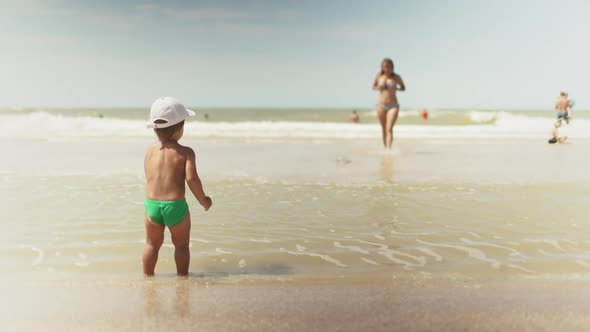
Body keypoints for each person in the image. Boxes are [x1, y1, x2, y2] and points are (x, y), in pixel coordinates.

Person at [143, 97, 212, 276]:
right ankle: (182, 279)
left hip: (151, 205)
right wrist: (203, 200)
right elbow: (192, 179)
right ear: (180, 127)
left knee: (151, 244)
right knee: (181, 245)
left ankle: (147, 278)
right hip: (175, 207)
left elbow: (149, 175)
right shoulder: (186, 152)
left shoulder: (149, 151)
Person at [372, 58, 406, 148]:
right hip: (381, 105)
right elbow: (373, 86)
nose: (387, 69)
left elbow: (403, 87)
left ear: (392, 67)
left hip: (393, 105)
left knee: (389, 128)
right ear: (382, 67)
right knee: (383, 129)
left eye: (389, 67)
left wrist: (396, 88)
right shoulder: (379, 76)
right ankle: (385, 148)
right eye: (385, 67)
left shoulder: (396, 77)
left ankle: (388, 149)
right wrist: (379, 88)